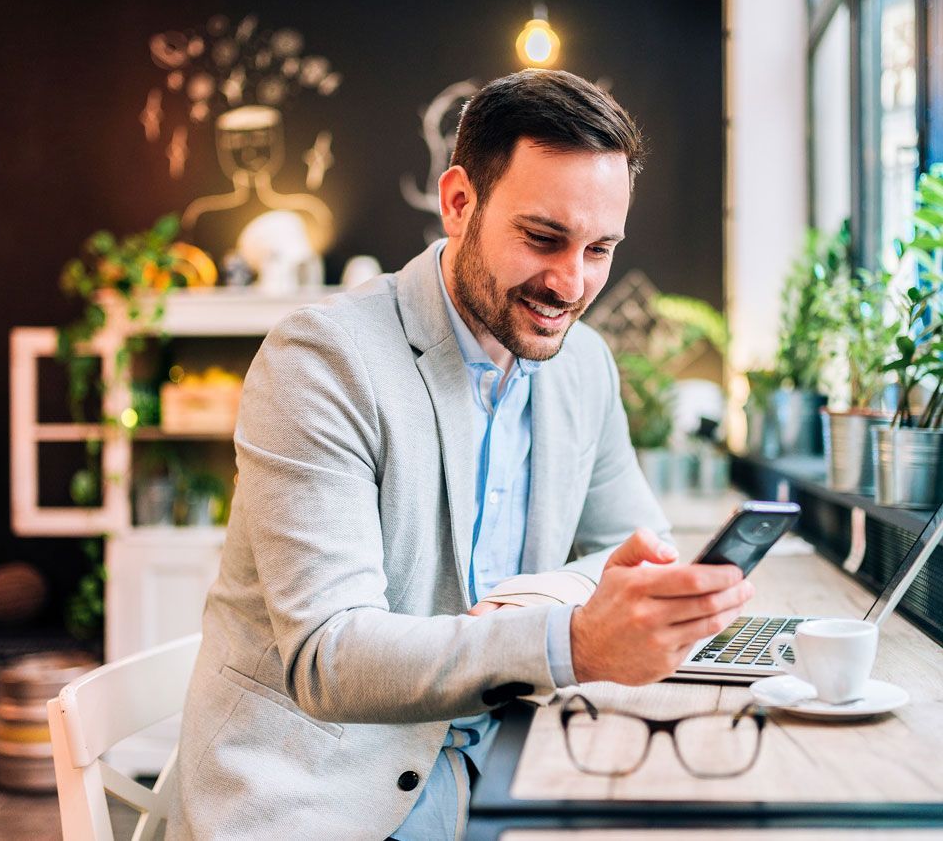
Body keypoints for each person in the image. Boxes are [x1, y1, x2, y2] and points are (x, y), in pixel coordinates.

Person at [167, 69, 753, 841]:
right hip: (317, 794)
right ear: (458, 202)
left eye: (599, 249)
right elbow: (330, 655)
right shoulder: (322, 358)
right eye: (542, 238)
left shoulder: (582, 366)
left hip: (502, 761)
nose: (569, 283)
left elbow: (634, 549)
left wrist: (537, 600)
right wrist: (570, 637)